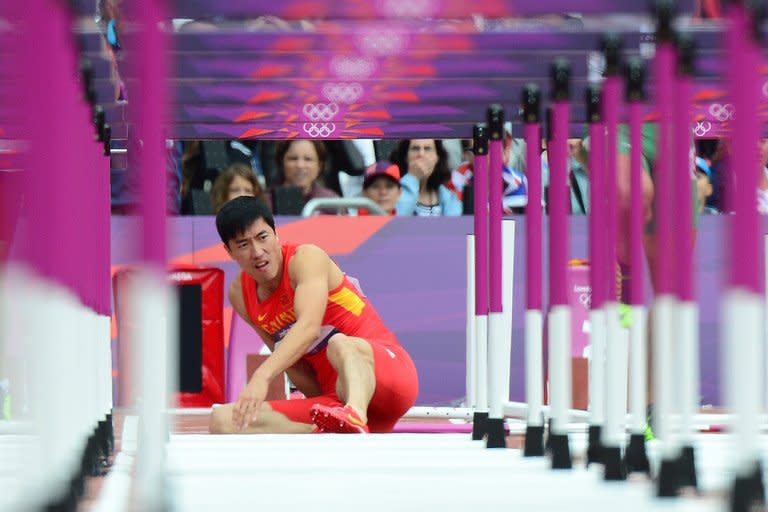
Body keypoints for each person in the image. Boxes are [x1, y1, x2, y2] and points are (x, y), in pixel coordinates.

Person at [209, 196, 419, 434]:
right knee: (223, 420)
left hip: (390, 379)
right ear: (229, 251)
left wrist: (262, 376)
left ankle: (355, 415)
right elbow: (294, 365)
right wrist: (318, 406)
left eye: (262, 237)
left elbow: (308, 328)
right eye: (243, 244)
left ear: (276, 232)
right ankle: (329, 427)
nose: (257, 252)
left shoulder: (306, 259)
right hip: (336, 397)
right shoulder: (240, 295)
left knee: (339, 344)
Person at [391, 139, 462, 216]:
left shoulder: (450, 199)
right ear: (405, 157)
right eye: (415, 148)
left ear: (437, 158)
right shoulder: (389, 193)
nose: (421, 154)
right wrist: (412, 177)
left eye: (427, 148)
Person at [268, 140, 339, 214]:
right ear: (281, 162)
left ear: (320, 166)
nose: (300, 165)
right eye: (293, 158)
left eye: (308, 159)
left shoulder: (331, 201)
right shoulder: (266, 202)